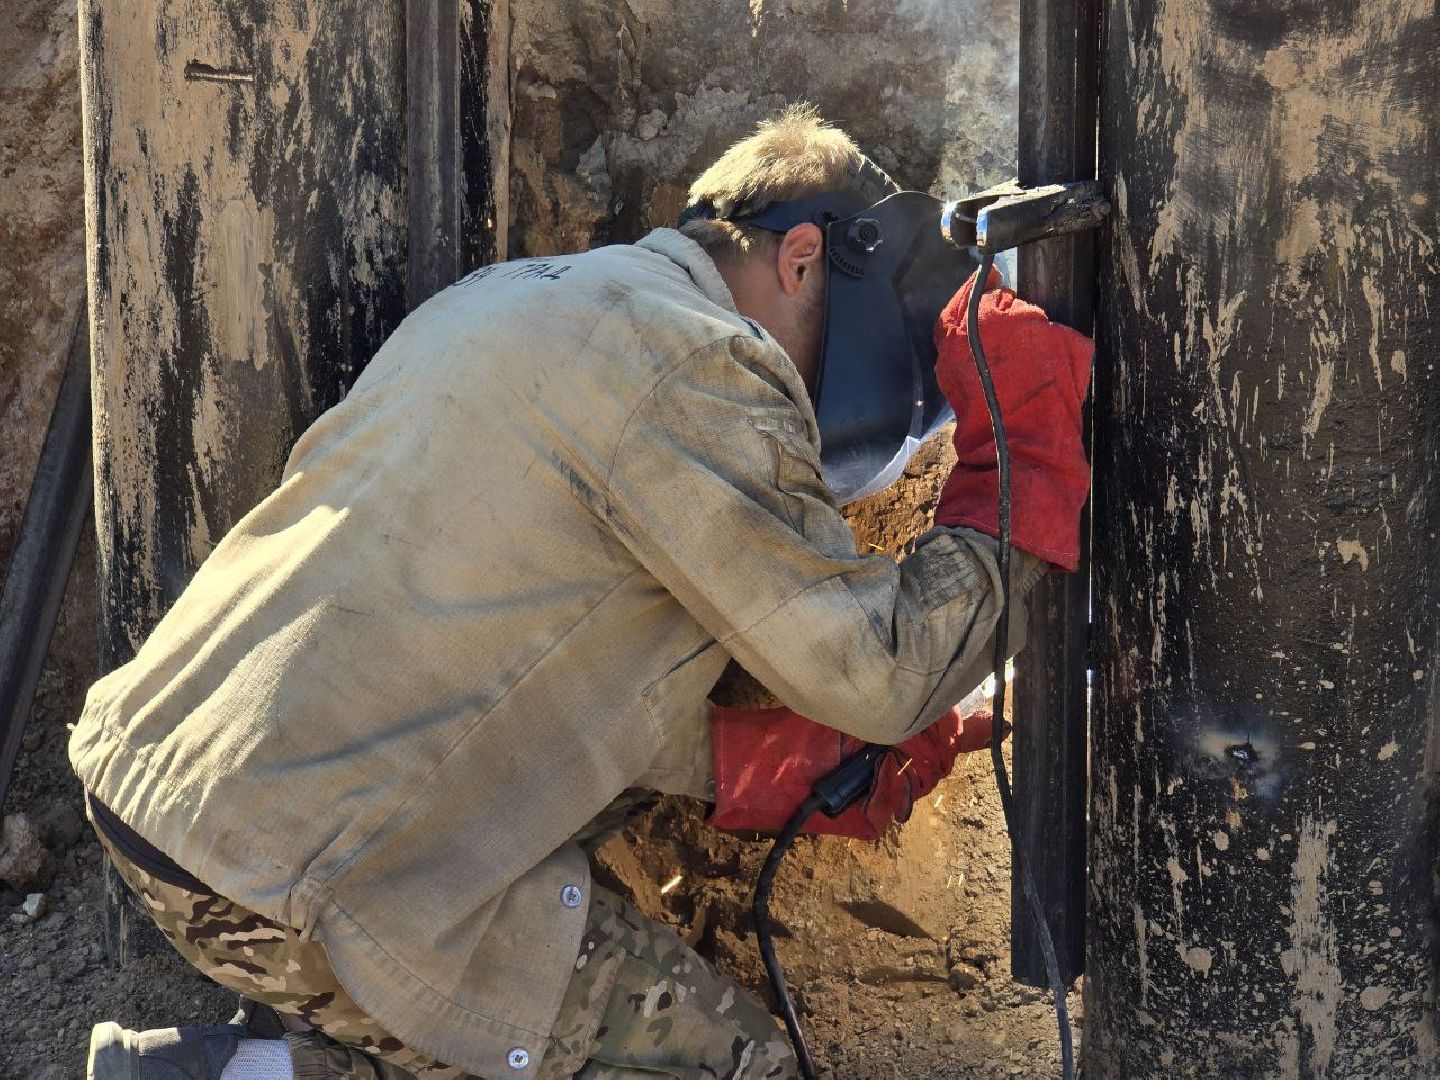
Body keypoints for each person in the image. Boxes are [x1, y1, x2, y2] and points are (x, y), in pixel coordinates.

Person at [72, 105, 1089, 1080]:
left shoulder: (512, 300)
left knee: (491, 1048)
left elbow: (507, 658)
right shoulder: (703, 363)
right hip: (295, 870)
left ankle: (240, 1074)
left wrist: (749, 763)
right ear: (803, 257)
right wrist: (1023, 457)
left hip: (165, 803)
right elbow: (880, 675)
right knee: (726, 1062)